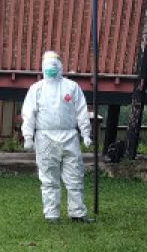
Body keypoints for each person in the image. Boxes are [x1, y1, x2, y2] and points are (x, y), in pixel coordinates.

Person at [21, 50, 93, 223]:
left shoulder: (71, 87)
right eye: (48, 62)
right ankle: (52, 214)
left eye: (55, 62)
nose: (52, 66)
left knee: (75, 176)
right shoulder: (36, 89)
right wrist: (28, 136)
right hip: (45, 137)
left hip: (69, 136)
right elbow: (29, 113)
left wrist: (86, 133)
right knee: (48, 177)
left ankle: (77, 212)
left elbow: (82, 111)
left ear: (61, 65)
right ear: (42, 66)